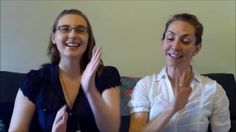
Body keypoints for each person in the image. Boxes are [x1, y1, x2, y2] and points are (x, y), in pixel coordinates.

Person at [9, 9, 121, 132]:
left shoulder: (107, 75)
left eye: (80, 30)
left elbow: (112, 129)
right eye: (65, 29)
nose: (73, 35)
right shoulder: (34, 80)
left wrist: (91, 91)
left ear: (88, 39)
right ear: (54, 38)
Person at [128, 13, 231, 132]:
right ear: (163, 43)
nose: (175, 46)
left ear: (196, 49)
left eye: (186, 41)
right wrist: (172, 108)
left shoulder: (214, 90)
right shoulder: (146, 85)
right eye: (170, 38)